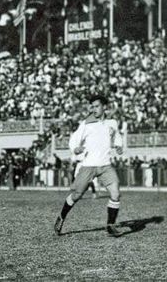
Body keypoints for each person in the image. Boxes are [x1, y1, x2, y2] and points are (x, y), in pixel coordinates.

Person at [54, 94, 124, 237]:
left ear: (104, 107)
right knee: (76, 195)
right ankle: (61, 217)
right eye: (92, 106)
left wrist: (118, 145)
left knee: (115, 193)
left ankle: (110, 225)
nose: (94, 109)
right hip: (88, 166)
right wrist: (75, 149)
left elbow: (117, 136)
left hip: (105, 165)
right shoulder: (87, 123)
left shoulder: (112, 123)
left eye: (97, 106)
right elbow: (74, 139)